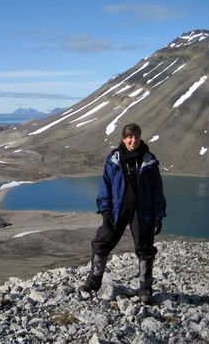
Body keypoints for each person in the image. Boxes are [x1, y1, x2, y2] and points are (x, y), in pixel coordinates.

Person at [79, 123, 166, 304]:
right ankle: (94, 281)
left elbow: (157, 189)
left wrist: (158, 215)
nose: (133, 140)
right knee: (101, 243)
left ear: (140, 137)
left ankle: (145, 289)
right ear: (123, 138)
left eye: (136, 136)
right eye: (129, 137)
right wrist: (105, 210)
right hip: (117, 210)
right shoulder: (114, 160)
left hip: (141, 212)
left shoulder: (149, 160)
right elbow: (106, 186)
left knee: (145, 249)